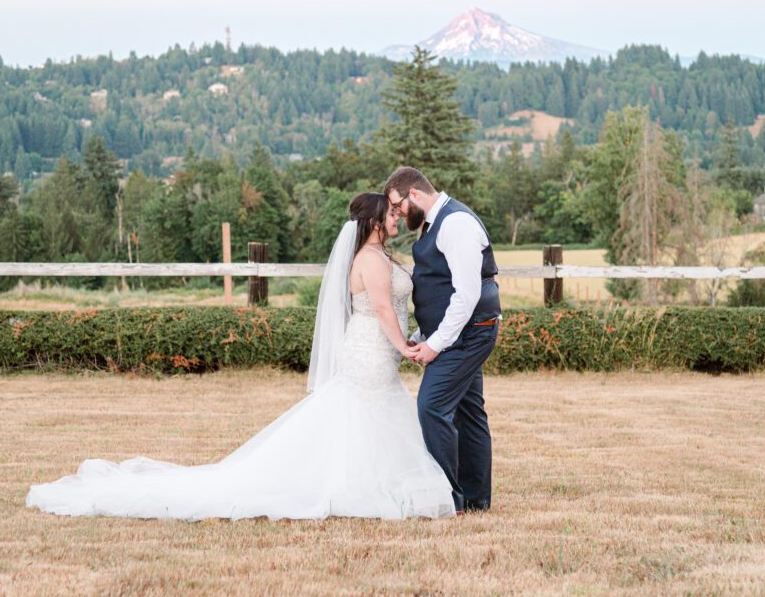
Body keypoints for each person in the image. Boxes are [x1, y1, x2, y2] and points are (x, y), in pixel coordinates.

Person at [26, 192, 455, 521]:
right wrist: (405, 347)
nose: (398, 218)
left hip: (375, 350)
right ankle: (358, 484)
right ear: (373, 221)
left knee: (371, 413)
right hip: (371, 348)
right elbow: (382, 308)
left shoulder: (380, 255)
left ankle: (376, 479)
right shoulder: (370, 260)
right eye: (392, 214)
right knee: (362, 412)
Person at [384, 167, 501, 514]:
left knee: (431, 407)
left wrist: (436, 345)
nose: (398, 213)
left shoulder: (456, 224)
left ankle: (448, 497)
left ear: (414, 195)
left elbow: (466, 294)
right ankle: (476, 500)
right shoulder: (436, 224)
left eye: (398, 205)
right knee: (468, 413)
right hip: (460, 332)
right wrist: (424, 335)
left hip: (471, 332)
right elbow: (441, 288)